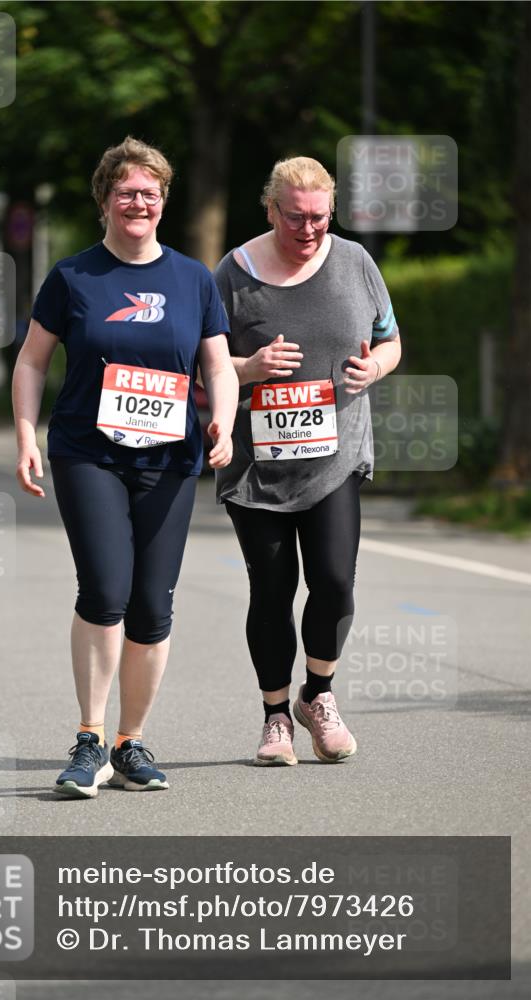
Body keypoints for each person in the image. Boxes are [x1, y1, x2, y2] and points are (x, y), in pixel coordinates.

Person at [12, 137, 238, 797]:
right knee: (104, 590)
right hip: (89, 453)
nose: (139, 203)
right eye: (126, 192)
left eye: (150, 193)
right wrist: (25, 434)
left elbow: (218, 364)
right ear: (105, 200)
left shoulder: (193, 279)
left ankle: (129, 743)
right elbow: (31, 361)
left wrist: (223, 420)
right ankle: (89, 740)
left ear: (163, 201)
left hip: (169, 460)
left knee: (151, 605)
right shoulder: (74, 277)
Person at [214, 156, 401, 767]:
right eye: (295, 217)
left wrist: (375, 367)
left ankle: (317, 694)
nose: (309, 228)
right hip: (257, 467)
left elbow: (391, 339)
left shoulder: (356, 263)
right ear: (271, 210)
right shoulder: (233, 275)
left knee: (336, 581)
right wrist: (249, 368)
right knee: (272, 589)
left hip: (335, 457)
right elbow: (201, 364)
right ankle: (275, 717)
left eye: (320, 216)